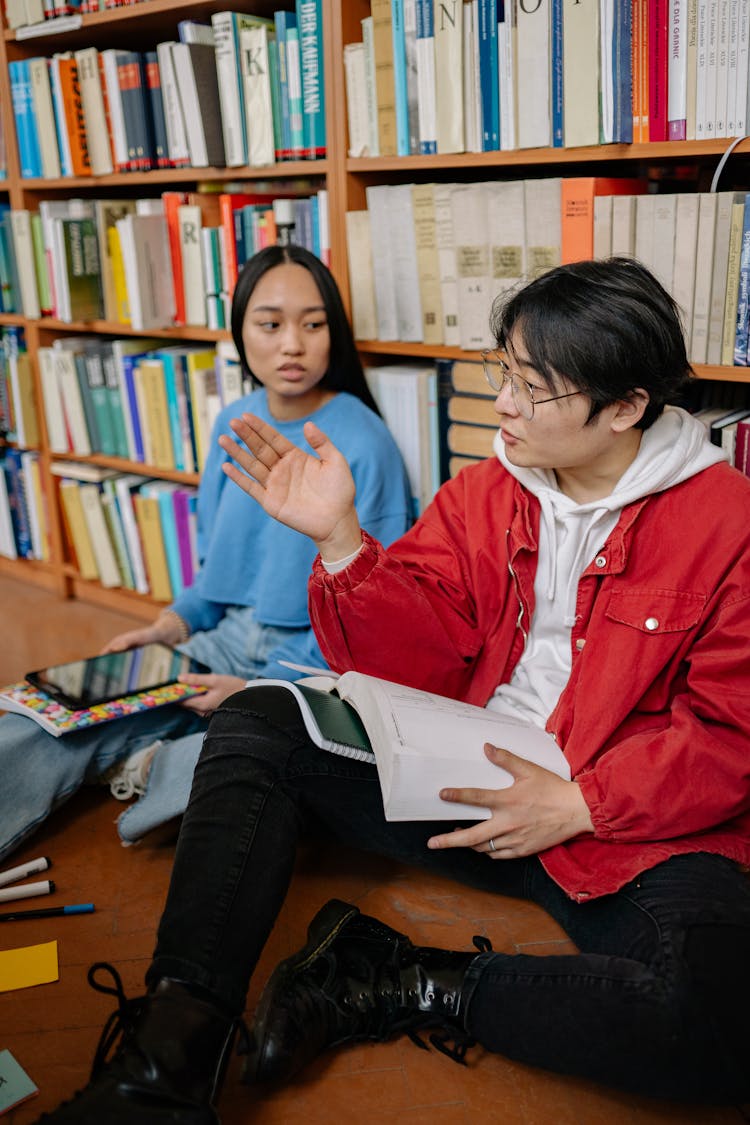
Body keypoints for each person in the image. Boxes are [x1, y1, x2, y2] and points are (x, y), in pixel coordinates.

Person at [35, 258, 750, 1125]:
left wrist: (582, 802)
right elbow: (411, 659)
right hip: (456, 779)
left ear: (626, 407)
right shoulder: (488, 489)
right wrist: (342, 542)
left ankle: (398, 977)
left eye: (535, 387)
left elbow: (728, 734)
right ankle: (172, 1051)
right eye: (505, 373)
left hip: (616, 823)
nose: (506, 406)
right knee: (259, 720)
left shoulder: (726, 523)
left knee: (723, 1016)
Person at [1, 244, 412, 861]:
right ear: (241, 331)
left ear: (335, 333)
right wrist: (167, 627)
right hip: (218, 643)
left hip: (311, 667)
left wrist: (254, 688)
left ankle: (161, 760)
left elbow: (371, 618)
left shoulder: (363, 440)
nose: (292, 345)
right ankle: (144, 751)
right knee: (49, 717)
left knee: (248, 763)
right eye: (270, 324)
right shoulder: (234, 422)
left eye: (313, 323)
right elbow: (215, 580)